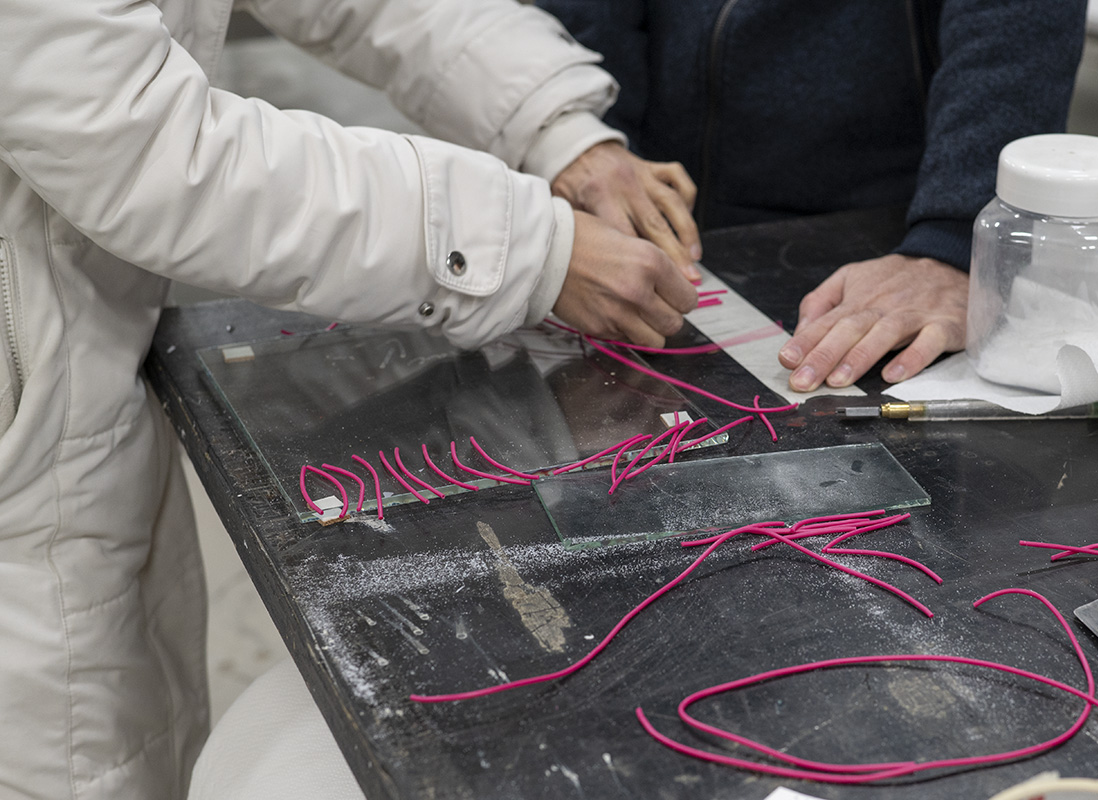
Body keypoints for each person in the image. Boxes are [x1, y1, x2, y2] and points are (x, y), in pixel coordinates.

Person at [0, 0, 701, 797]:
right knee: (59, 740)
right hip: (27, 394)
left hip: (75, 351)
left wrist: (559, 127)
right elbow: (142, 148)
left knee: (120, 713)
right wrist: (525, 246)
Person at [535, 0, 1088, 391]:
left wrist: (955, 232)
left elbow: (1013, 23)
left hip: (880, 244)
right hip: (657, 221)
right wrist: (588, 142)